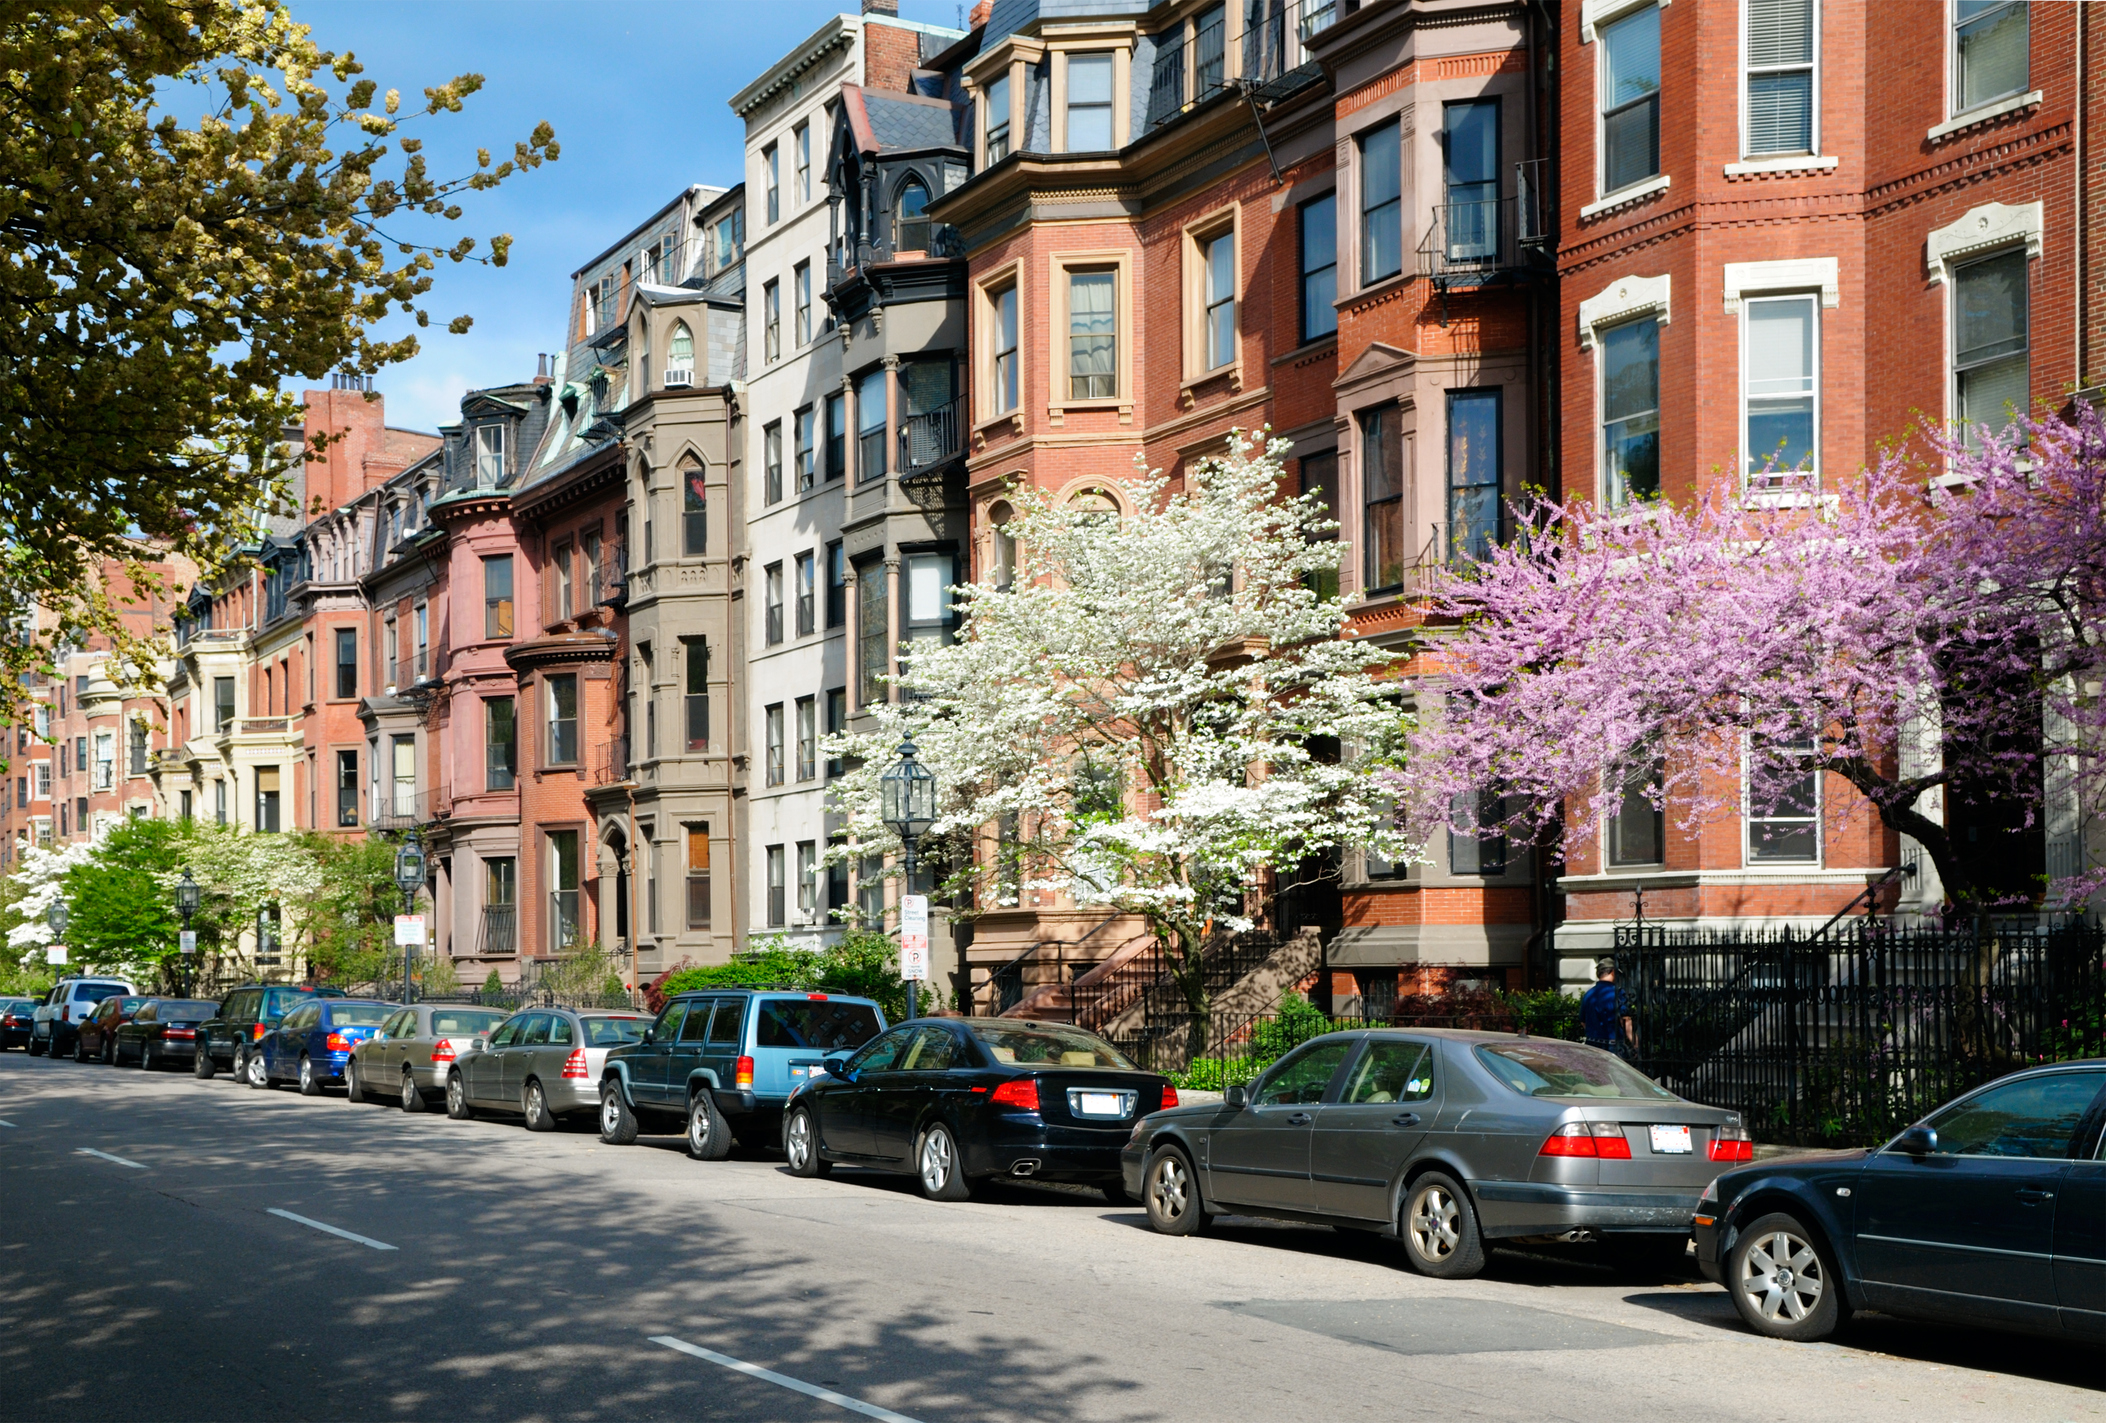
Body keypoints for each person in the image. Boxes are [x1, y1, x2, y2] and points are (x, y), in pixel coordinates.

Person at [1580, 958, 1636, 1058]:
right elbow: (1625, 1021)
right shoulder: (1617, 993)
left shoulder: (1588, 994)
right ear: (1613, 972)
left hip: (1592, 1044)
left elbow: (1583, 1022)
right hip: (1613, 1045)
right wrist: (1636, 1045)